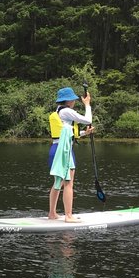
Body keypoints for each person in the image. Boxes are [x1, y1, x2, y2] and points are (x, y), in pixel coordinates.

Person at [48, 87, 94, 222]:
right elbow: (87, 119)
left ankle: (52, 213)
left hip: (55, 148)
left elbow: (67, 134)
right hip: (64, 150)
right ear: (67, 101)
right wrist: (87, 105)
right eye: (73, 99)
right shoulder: (67, 111)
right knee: (68, 183)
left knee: (58, 182)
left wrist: (84, 133)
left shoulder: (58, 112)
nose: (74, 101)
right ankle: (68, 216)